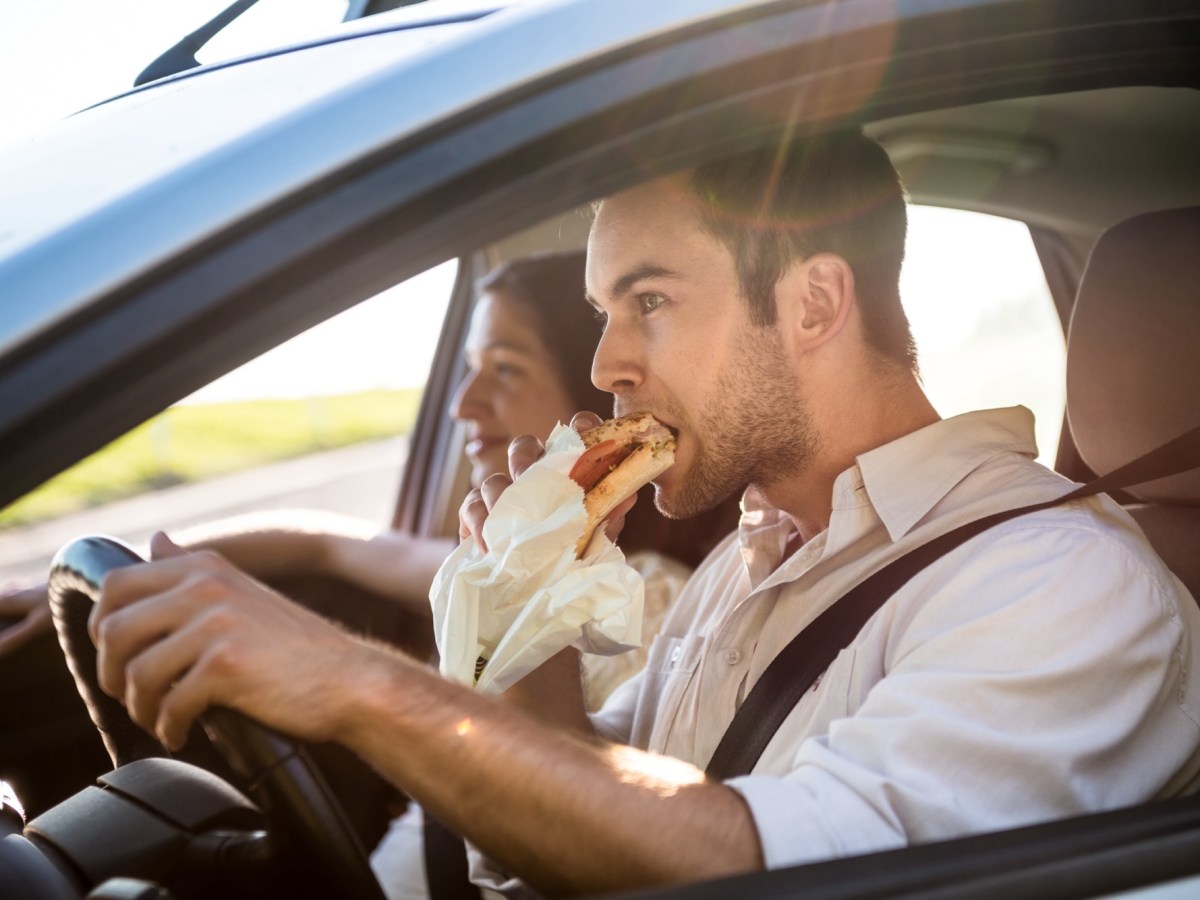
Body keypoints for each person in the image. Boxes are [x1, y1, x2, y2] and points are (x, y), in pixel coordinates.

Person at [87, 128, 1200, 897]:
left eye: (650, 302)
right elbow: (584, 821)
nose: (609, 362)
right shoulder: (750, 560)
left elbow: (764, 872)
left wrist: (354, 683)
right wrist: (526, 604)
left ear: (813, 302)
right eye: (602, 310)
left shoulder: (1059, 583)